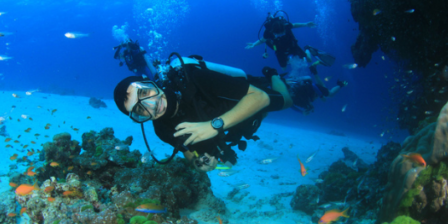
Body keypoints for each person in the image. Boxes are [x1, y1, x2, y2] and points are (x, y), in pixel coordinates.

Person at [113, 55, 347, 171]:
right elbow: (189, 154)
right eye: (139, 110)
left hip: (244, 96)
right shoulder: (162, 128)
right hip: (235, 122)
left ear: (152, 83)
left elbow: (260, 98)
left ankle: (273, 74)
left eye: (146, 93)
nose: (152, 106)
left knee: (285, 101)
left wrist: (213, 126)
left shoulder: (193, 79)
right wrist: (202, 163)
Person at [246, 11, 338, 98]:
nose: (281, 35)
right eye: (278, 34)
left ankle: (307, 48)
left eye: (282, 33)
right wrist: (254, 44)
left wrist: (306, 24)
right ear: (273, 32)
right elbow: (262, 40)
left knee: (309, 60)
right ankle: (289, 61)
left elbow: (295, 25)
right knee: (283, 68)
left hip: (292, 45)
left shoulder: (286, 25)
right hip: (279, 49)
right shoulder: (268, 32)